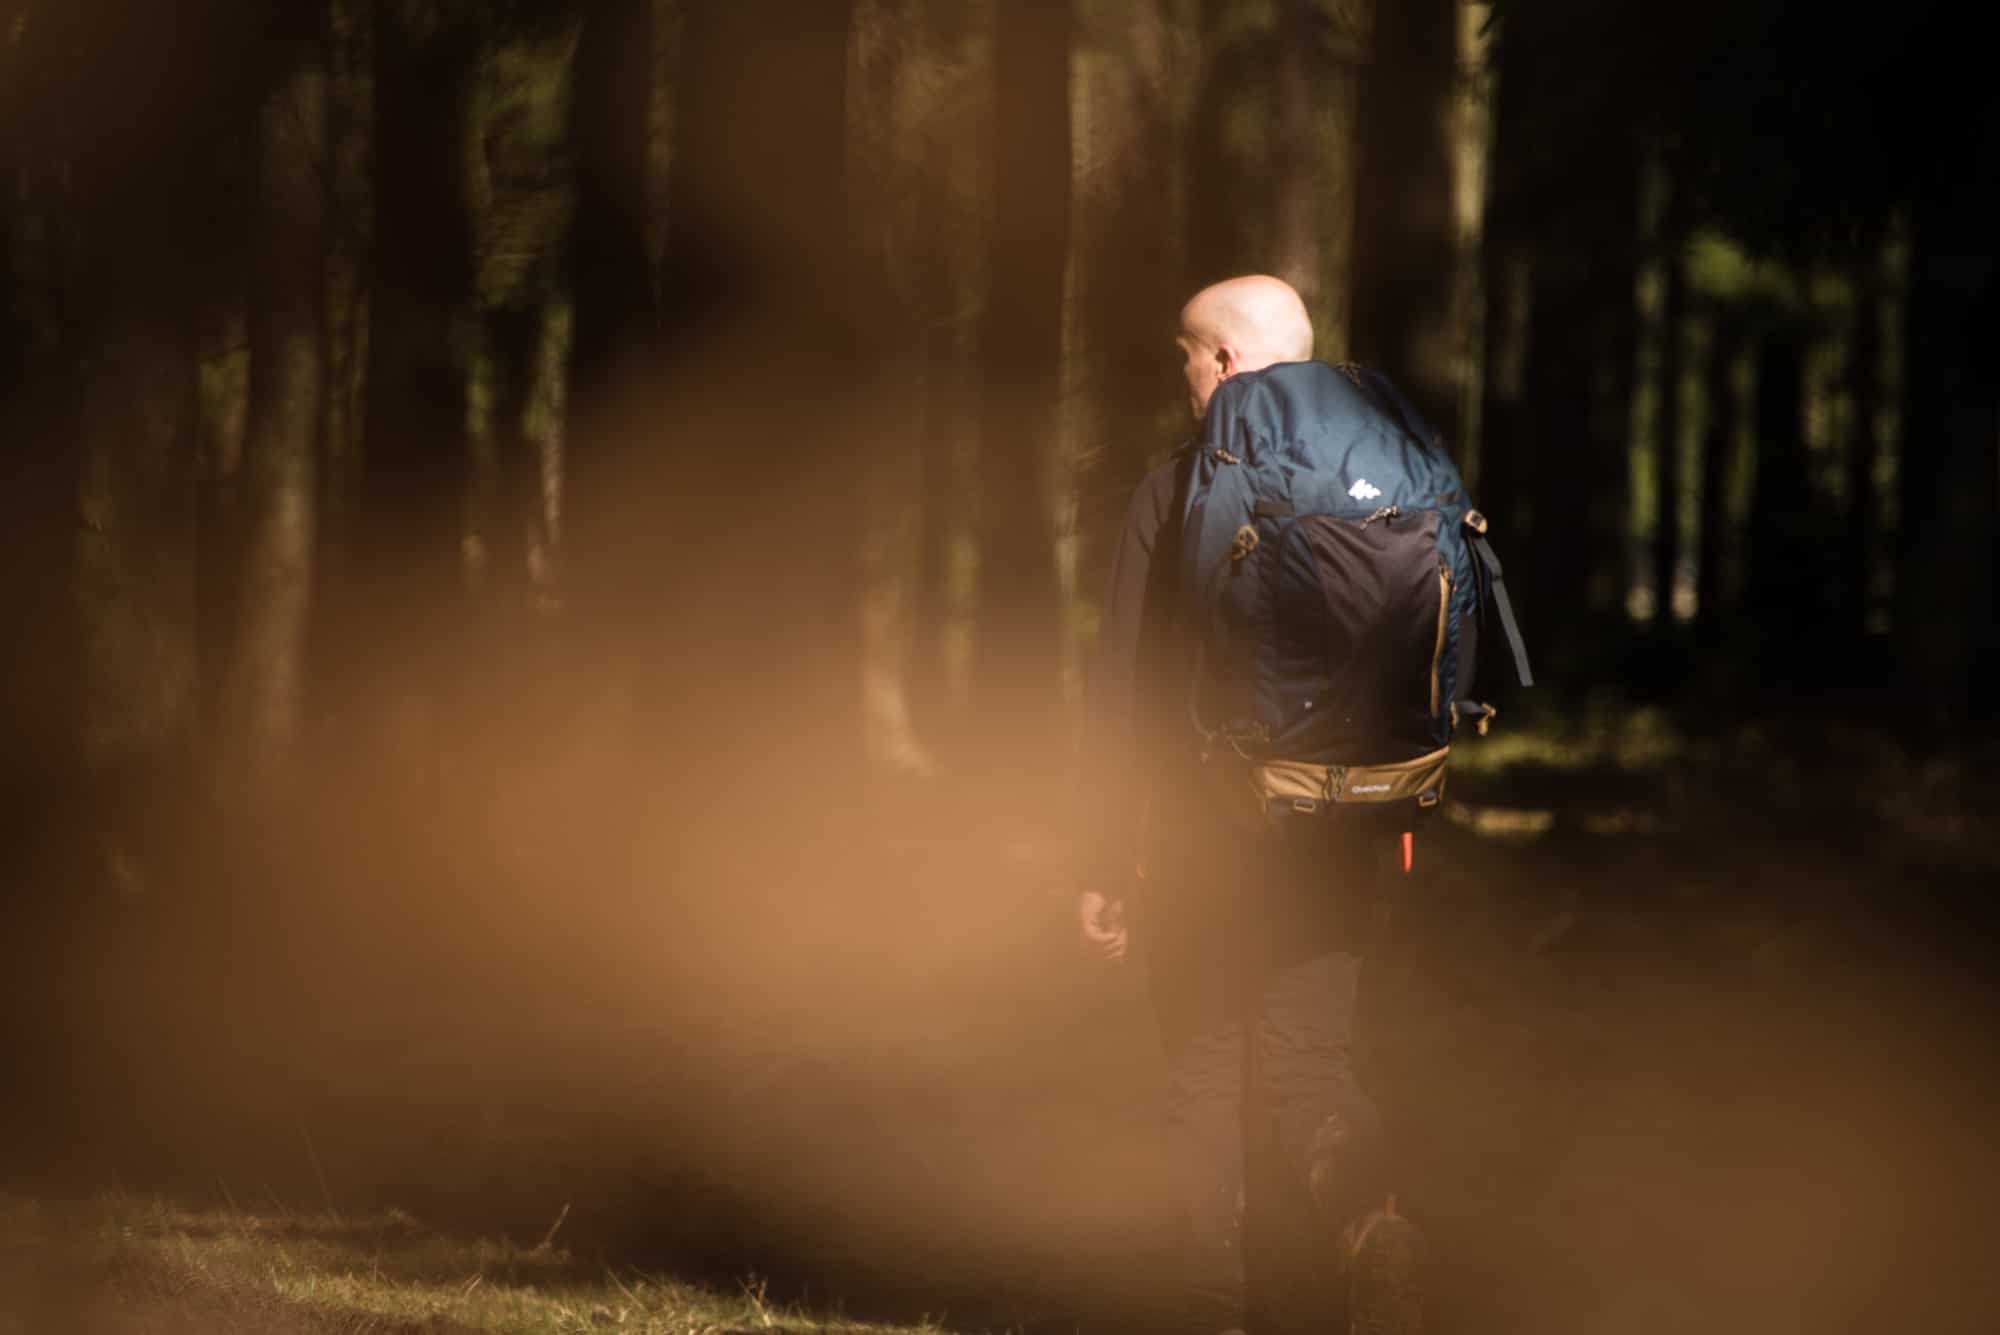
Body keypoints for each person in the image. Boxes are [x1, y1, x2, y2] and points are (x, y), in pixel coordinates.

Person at [1077, 275, 1415, 1335]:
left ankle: (1210, 1317)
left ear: (1223, 363)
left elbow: (1121, 686)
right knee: (1304, 1067)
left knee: (1200, 1075)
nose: (1180, 376)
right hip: (1343, 824)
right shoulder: (1383, 475)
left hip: (1197, 832)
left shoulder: (1175, 488)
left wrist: (1101, 856)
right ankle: (1372, 1226)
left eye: (1185, 353)